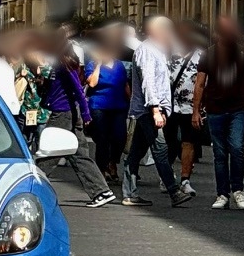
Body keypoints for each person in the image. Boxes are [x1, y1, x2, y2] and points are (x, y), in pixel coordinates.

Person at [121, 16, 192, 208]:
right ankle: (173, 191)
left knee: (136, 152)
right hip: (149, 109)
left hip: (154, 109)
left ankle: (129, 193)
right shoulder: (147, 51)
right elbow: (148, 82)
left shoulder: (158, 51)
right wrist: (155, 110)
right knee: (160, 149)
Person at [37, 37, 115, 207]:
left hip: (64, 114)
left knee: (50, 151)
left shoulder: (63, 64)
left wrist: (86, 115)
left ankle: (32, 184)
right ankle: (101, 191)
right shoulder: (59, 63)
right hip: (67, 111)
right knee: (79, 154)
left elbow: (78, 90)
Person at [192, 15, 244, 210]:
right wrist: (196, 111)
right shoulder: (208, 55)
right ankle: (222, 193)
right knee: (220, 153)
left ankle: (237, 190)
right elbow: (200, 83)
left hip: (238, 108)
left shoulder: (243, 54)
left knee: (237, 149)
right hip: (215, 109)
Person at [83, 25, 131, 181]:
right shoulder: (92, 63)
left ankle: (113, 161)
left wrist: (131, 100)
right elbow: (92, 83)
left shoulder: (119, 65)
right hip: (99, 107)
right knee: (102, 140)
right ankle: (101, 170)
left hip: (119, 106)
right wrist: (97, 65)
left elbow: (125, 85)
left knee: (120, 138)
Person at [164, 21, 206, 198]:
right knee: (170, 143)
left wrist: (200, 108)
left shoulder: (201, 56)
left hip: (191, 107)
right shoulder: (169, 54)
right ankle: (166, 176)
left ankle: (185, 180)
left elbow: (204, 82)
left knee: (188, 142)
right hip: (169, 105)